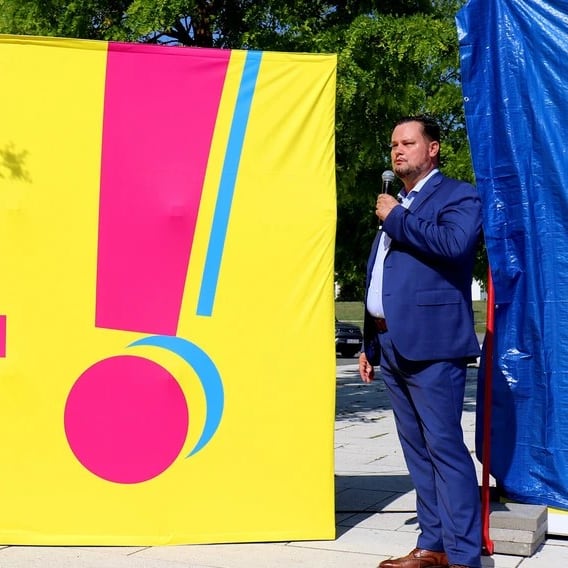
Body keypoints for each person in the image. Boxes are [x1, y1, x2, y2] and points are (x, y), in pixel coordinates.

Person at [359, 116, 482, 568]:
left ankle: (464, 556)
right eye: (394, 144)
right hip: (391, 343)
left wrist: (397, 217)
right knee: (416, 450)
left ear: (433, 149)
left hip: (433, 345)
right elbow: (382, 279)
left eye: (408, 143)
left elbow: (454, 245)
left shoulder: (458, 195)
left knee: (445, 449)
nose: (398, 151)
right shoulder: (397, 204)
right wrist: (370, 342)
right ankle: (434, 545)